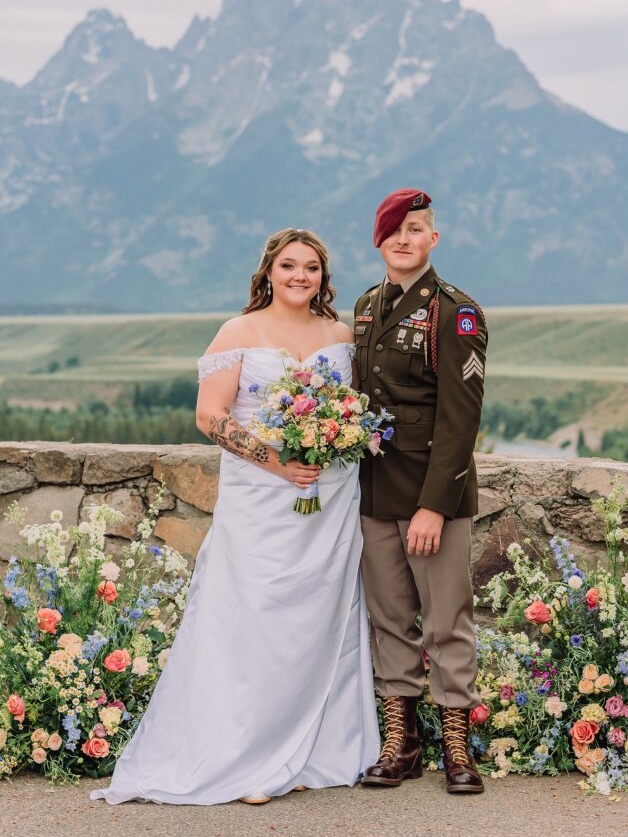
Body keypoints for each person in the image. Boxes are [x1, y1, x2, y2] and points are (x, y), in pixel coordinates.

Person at [91, 228, 380, 806]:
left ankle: (316, 750)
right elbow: (210, 417)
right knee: (253, 620)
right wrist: (280, 463)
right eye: (289, 266)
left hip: (329, 500)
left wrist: (331, 444)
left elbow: (349, 411)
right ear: (267, 272)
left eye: (312, 268)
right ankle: (247, 752)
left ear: (324, 276)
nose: (301, 276)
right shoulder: (238, 332)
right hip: (261, 498)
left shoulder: (340, 335)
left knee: (318, 619)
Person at [354, 189, 487, 795]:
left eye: (415, 229)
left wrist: (432, 506)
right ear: (378, 242)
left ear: (434, 238)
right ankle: (401, 744)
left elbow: (460, 420)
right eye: (392, 231)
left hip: (436, 496)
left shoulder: (455, 311)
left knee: (446, 622)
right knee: (389, 621)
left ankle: (457, 750)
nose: (402, 239)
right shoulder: (364, 308)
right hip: (377, 493)